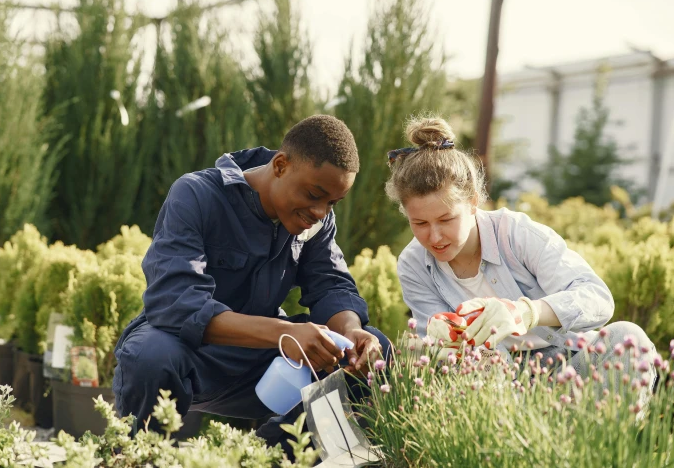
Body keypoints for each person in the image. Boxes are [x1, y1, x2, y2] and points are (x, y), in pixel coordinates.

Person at [113, 114, 391, 456]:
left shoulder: (315, 221)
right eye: (314, 195)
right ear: (280, 165)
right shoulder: (196, 194)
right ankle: (135, 457)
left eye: (332, 203)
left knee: (373, 352)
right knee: (151, 354)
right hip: (188, 355)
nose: (320, 212)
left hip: (261, 365)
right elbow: (177, 304)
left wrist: (351, 333)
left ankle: (261, 460)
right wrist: (284, 335)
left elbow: (331, 285)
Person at [385, 116, 656, 392]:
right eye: (419, 223)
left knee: (629, 339)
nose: (434, 237)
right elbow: (441, 346)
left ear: (473, 203)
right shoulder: (414, 264)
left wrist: (524, 312)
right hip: (493, 377)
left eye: (446, 220)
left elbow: (596, 297)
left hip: (570, 365)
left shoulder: (515, 233)